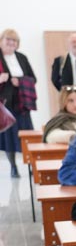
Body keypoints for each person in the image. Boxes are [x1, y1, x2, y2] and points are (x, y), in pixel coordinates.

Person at [0, 28, 37, 178]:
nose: (11, 43)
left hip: (22, 104)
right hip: (6, 105)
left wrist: (20, 81)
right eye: (8, 39)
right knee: (9, 137)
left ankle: (31, 166)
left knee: (28, 136)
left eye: (14, 40)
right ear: (1, 41)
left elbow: (33, 78)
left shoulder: (22, 57)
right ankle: (13, 167)